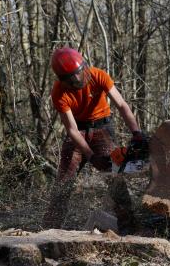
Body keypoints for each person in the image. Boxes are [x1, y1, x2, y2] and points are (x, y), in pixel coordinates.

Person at [43, 47, 148, 233]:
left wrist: (136, 132)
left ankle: (129, 227)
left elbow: (122, 105)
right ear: (63, 80)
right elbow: (72, 130)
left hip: (102, 129)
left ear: (84, 67)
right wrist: (91, 156)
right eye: (71, 80)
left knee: (114, 177)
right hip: (78, 132)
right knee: (64, 181)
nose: (78, 81)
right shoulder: (59, 93)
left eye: (79, 75)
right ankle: (50, 230)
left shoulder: (98, 75)